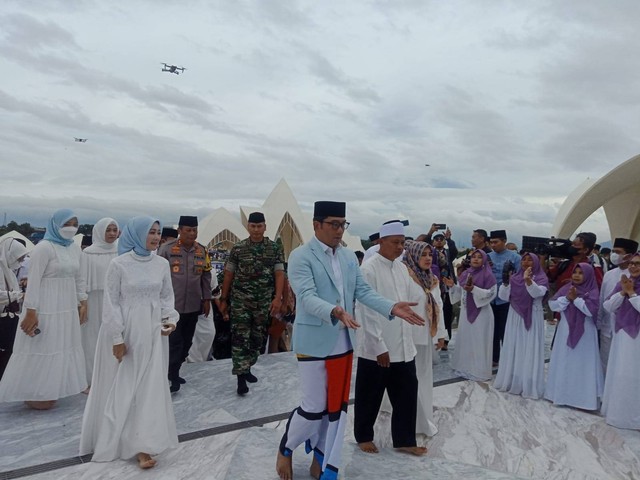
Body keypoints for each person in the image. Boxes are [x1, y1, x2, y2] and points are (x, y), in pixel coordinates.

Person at [275, 201, 425, 480]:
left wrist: (391, 307)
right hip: (314, 341)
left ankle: (322, 458)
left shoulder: (346, 257)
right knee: (313, 406)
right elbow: (306, 296)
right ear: (316, 224)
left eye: (343, 224)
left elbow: (363, 292)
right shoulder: (301, 256)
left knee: (335, 408)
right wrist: (334, 310)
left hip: (343, 343)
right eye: (333, 224)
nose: (339, 230)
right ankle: (287, 447)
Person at [80, 216, 179, 469]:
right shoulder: (119, 264)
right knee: (125, 385)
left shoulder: (161, 264)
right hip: (127, 331)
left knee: (150, 386)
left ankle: (144, 444)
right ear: (137, 234)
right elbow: (110, 303)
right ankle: (119, 438)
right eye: (151, 232)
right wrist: (117, 338)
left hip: (154, 332)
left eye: (158, 232)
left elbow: (166, 296)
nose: (156, 237)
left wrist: (170, 320)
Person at [0, 209, 87, 410]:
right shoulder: (44, 248)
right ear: (55, 224)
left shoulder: (75, 248)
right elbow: (34, 281)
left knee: (60, 345)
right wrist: (31, 310)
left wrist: (83, 300)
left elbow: (80, 277)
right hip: (46, 305)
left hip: (65, 306)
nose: (71, 228)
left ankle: (51, 386)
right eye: (67, 223)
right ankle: (33, 389)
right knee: (42, 345)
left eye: (75, 223)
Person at [354, 223, 428, 457]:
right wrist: (378, 346)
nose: (399, 247)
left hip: (403, 345)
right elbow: (366, 310)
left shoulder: (401, 268)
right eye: (395, 242)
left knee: (406, 394)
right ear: (380, 242)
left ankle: (404, 440)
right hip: (377, 347)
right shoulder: (369, 268)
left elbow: (407, 302)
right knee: (370, 394)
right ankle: (364, 436)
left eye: (402, 243)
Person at [220, 212, 285, 395]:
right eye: (253, 226)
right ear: (248, 227)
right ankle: (241, 377)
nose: (256, 230)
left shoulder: (274, 248)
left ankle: (247, 366)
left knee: (257, 339)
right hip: (241, 300)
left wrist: (278, 298)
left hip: (263, 302)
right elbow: (229, 274)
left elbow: (279, 274)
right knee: (240, 338)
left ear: (265, 227)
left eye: (259, 226)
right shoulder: (239, 249)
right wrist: (224, 299)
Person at [158, 215, 212, 393]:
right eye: (188, 230)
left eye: (194, 230)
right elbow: (158, 277)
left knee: (187, 343)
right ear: (180, 230)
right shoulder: (166, 250)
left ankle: (174, 370)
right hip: (172, 307)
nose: (192, 233)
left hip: (193, 305)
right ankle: (172, 375)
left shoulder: (202, 251)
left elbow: (206, 276)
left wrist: (206, 299)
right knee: (175, 343)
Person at [545, 263, 603, 410]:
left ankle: (582, 399)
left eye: (581, 273)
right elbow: (553, 306)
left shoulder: (593, 291)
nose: (576, 275)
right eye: (575, 272)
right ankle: (561, 394)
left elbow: (591, 312)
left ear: (588, 276)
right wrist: (567, 298)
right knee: (564, 360)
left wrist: (576, 299)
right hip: (565, 329)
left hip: (586, 333)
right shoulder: (566, 288)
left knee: (582, 363)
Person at [403, 240, 446, 437]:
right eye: (423, 255)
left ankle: (422, 418)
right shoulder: (405, 276)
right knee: (409, 381)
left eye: (430, 254)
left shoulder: (432, 280)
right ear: (413, 256)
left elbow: (439, 308)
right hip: (408, 336)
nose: (428, 258)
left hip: (426, 335)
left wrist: (440, 334)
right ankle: (411, 420)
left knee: (423, 378)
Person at [493, 252, 548, 399]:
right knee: (515, 345)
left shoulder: (541, 277)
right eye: (524, 259)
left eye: (530, 259)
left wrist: (529, 281)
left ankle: (528, 383)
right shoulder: (515, 277)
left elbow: (537, 294)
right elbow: (503, 296)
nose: (526, 262)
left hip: (532, 316)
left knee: (529, 346)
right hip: (514, 315)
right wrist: (505, 282)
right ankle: (513, 379)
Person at [601, 252, 640, 429]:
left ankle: (633, 416)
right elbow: (608, 306)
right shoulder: (622, 284)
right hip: (622, 334)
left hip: (637, 337)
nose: (633, 267)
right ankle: (618, 411)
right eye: (631, 263)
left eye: (638, 264)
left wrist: (632, 294)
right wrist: (623, 292)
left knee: (634, 374)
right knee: (620, 372)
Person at [79, 218, 119, 386]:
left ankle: (113, 377)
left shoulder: (121, 251)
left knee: (114, 336)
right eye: (107, 230)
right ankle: (90, 379)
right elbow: (81, 279)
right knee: (92, 340)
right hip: (94, 302)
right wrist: (83, 302)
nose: (111, 233)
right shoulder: (88, 253)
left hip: (116, 300)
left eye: (114, 230)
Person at [450, 249, 497, 381]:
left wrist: (474, 289)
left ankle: (478, 371)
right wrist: (453, 287)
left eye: (479, 257)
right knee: (466, 339)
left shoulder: (488, 275)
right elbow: (461, 292)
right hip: (465, 313)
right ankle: (464, 367)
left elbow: (491, 293)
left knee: (478, 340)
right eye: (473, 257)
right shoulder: (466, 273)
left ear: (484, 260)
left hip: (481, 313)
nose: (475, 259)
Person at [597, 238, 638, 373]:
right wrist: (599, 323)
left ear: (628, 255)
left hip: (628, 328)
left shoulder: (634, 277)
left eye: (617, 252)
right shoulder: (609, 274)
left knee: (623, 365)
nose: (614, 255)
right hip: (607, 326)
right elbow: (603, 300)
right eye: (613, 251)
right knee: (605, 362)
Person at [488, 230, 521, 365]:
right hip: (489, 299)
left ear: (504, 241)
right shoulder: (487, 256)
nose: (493, 245)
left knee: (505, 331)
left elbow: (519, 278)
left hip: (506, 300)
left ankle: (508, 359)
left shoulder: (515, 258)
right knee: (492, 330)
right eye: (491, 243)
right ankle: (494, 358)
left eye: (496, 242)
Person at [0, 238, 28, 380]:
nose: (21, 261)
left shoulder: (8, 269)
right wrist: (19, 295)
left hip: (10, 317)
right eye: (19, 257)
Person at [431, 230, 458, 349]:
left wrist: (449, 239)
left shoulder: (447, 252)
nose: (439, 241)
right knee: (436, 313)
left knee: (447, 314)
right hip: (435, 286)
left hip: (447, 286)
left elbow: (454, 251)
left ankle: (446, 341)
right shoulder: (429, 253)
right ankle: (436, 338)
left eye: (441, 239)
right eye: (436, 239)